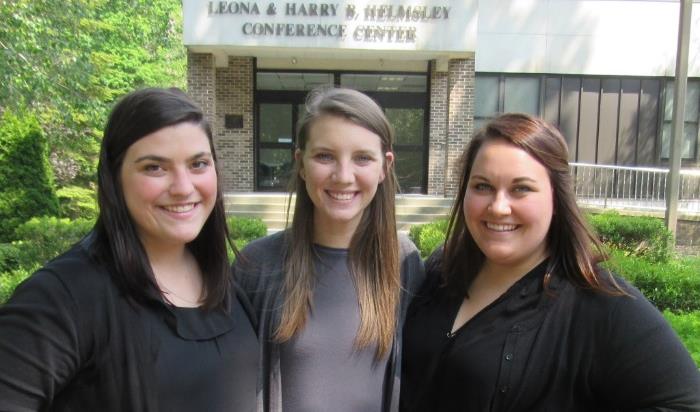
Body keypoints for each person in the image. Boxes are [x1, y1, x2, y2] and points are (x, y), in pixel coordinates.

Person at [400, 113, 700, 411]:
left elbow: (685, 403)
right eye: (482, 186)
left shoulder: (597, 303)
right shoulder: (441, 269)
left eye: (521, 189)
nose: (498, 207)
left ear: (557, 199)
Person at [0, 88, 258, 411]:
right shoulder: (65, 296)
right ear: (114, 177)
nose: (183, 187)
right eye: (154, 167)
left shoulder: (225, 281)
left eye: (198, 164)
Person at [234, 87, 424, 412]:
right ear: (301, 163)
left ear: (384, 166)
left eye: (362, 157)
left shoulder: (405, 262)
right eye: (325, 156)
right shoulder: (257, 265)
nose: (343, 176)